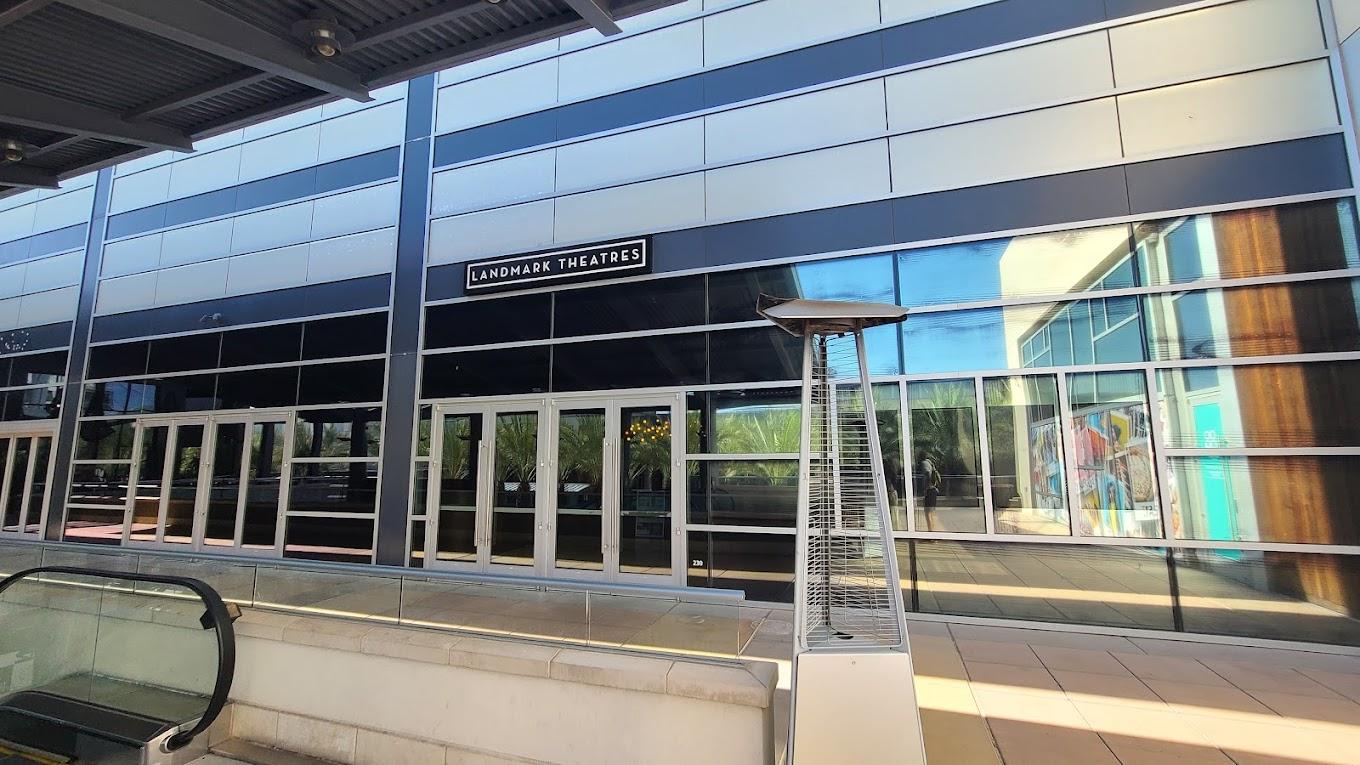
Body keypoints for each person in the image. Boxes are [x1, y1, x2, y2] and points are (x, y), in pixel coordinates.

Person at [917, 452, 942, 532]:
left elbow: (927, 473)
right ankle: (932, 531)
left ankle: (930, 532)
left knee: (927, 512)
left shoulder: (924, 463)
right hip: (933, 489)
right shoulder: (931, 463)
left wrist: (925, 487)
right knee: (931, 512)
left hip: (929, 490)